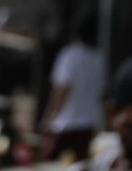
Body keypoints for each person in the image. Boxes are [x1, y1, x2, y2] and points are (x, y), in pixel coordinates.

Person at [40, 11, 106, 161]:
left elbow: (62, 90)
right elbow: (101, 94)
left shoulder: (69, 55)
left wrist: (48, 119)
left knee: (48, 165)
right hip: (88, 124)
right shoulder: (99, 59)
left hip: (66, 124)